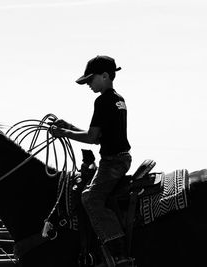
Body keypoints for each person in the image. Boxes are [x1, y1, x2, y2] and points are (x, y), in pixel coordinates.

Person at [50, 55, 133, 266]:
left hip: (112, 162)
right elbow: (96, 136)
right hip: (120, 159)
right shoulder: (118, 99)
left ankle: (118, 251)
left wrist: (63, 133)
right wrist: (67, 126)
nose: (88, 84)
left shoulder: (102, 101)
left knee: (90, 198)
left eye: (90, 79)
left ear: (105, 76)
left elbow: (91, 138)